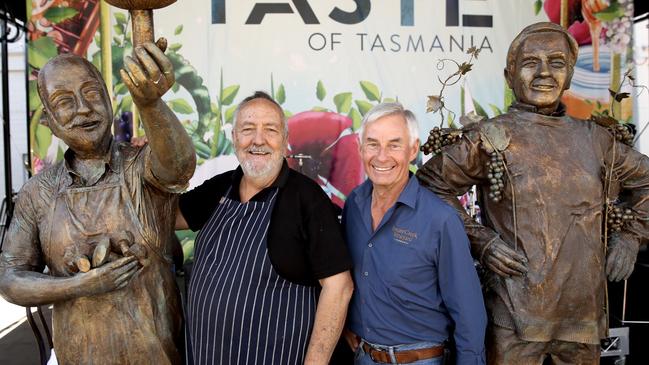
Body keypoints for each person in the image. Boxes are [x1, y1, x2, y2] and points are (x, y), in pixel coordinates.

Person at [416, 22, 649, 364]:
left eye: (556, 63)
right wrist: (483, 241)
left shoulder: (596, 141)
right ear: (510, 76)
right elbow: (429, 185)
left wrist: (631, 236)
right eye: (530, 62)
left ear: (569, 75)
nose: (544, 73)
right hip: (512, 314)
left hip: (582, 313)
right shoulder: (488, 137)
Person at [0, 43, 195, 364]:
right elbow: (10, 278)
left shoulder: (140, 168)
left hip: (155, 351)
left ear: (108, 99)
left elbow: (179, 166)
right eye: (65, 101)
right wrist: (79, 285)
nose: (83, 109)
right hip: (79, 353)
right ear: (48, 120)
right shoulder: (39, 192)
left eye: (91, 93)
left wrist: (150, 102)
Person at [176, 91, 354, 364]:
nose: (258, 140)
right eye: (248, 129)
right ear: (234, 137)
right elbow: (166, 218)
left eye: (270, 130)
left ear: (285, 140)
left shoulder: (307, 199)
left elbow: (339, 287)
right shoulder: (220, 186)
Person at [342, 102, 487, 365]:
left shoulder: (440, 219)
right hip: (363, 356)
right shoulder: (354, 204)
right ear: (360, 148)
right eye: (373, 144)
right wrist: (347, 324)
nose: (382, 156)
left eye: (394, 145)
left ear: (413, 149)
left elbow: (469, 311)